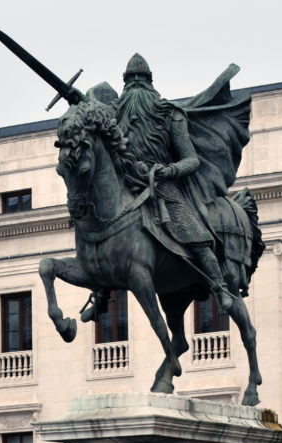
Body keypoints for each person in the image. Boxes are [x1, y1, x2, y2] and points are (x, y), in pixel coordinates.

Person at [113, 52, 235, 312]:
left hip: (163, 188)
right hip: (127, 188)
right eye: (130, 82)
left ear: (148, 84)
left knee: (196, 237)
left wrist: (167, 170)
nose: (135, 88)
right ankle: (101, 296)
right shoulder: (114, 117)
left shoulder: (170, 114)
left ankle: (219, 285)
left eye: (138, 82)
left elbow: (191, 160)